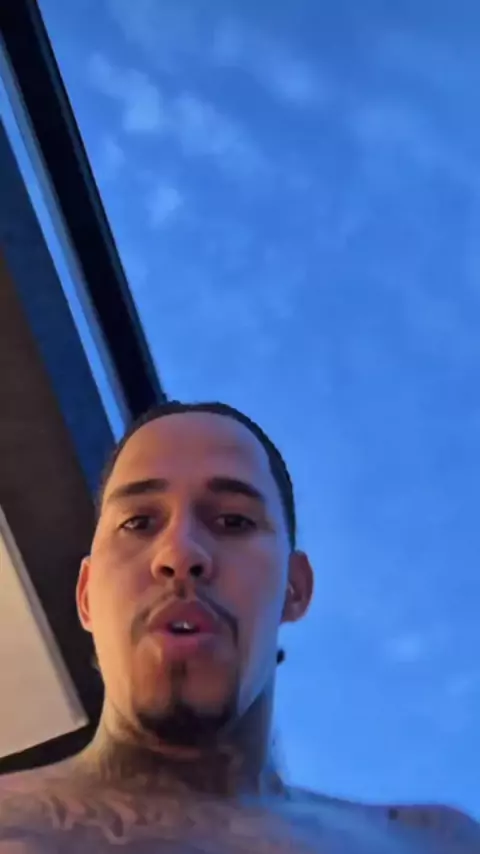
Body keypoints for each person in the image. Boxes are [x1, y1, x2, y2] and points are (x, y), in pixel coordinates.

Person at [0, 400, 478, 854]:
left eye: (232, 521)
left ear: (294, 588)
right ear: (86, 594)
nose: (180, 554)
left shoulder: (433, 843)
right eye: (139, 522)